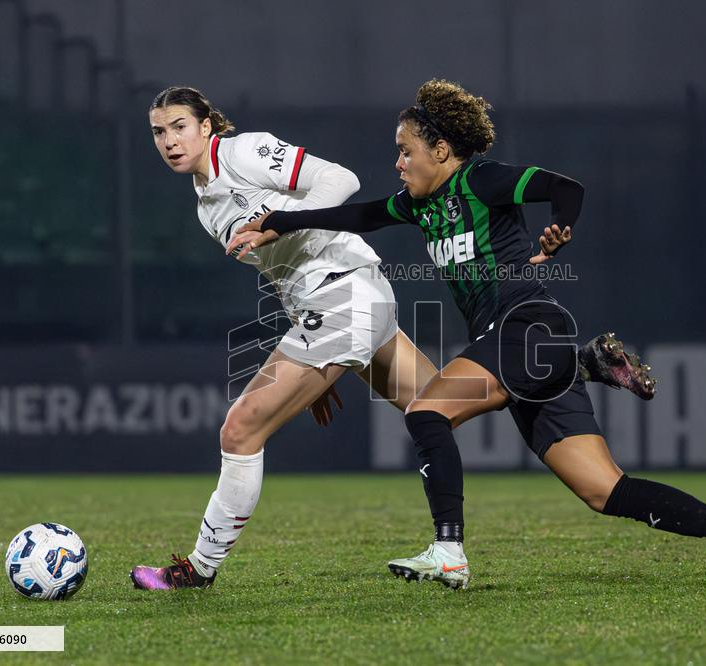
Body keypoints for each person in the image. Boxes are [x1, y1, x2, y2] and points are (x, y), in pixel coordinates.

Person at [229, 79, 706, 589]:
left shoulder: (479, 180)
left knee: (426, 412)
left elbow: (564, 187)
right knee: (603, 490)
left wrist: (561, 226)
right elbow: (362, 216)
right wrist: (282, 221)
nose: (398, 162)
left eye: (406, 150)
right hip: (528, 348)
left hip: (525, 326)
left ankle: (449, 552)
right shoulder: (421, 206)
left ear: (441, 150)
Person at [130, 86, 652, 591]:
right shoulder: (206, 205)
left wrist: (281, 225)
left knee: (239, 431)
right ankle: (581, 365)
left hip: (345, 299)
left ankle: (198, 568)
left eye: (180, 127)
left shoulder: (243, 152)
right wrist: (315, 357)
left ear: (205, 126)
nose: (170, 140)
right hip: (338, 307)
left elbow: (339, 180)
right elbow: (284, 273)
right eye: (158, 132)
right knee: (440, 403)